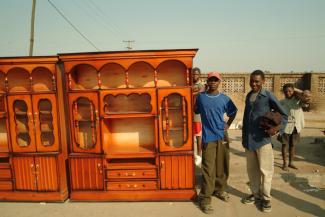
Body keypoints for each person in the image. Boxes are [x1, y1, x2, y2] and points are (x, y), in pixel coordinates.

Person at [241, 70, 287, 213]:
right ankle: (256, 195)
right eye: (252, 81)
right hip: (249, 140)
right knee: (252, 171)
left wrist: (277, 128)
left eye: (257, 81)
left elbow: (284, 115)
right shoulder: (249, 96)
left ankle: (266, 199)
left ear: (263, 81)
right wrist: (243, 137)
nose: (254, 84)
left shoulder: (267, 96)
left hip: (263, 140)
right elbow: (245, 117)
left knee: (266, 171)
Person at [195, 71, 237, 214]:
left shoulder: (224, 99)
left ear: (219, 82)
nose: (213, 82)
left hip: (222, 135)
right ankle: (205, 198)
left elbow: (233, 111)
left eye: (216, 80)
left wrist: (228, 124)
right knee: (208, 168)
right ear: (207, 82)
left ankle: (219, 189)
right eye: (211, 80)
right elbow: (195, 110)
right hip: (208, 137)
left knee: (222, 165)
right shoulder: (201, 98)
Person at [279, 84, 306, 171]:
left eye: (290, 91)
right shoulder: (281, 102)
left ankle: (291, 162)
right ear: (284, 92)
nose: (288, 93)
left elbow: (306, 96)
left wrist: (297, 91)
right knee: (284, 145)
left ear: (293, 91)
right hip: (285, 126)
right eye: (286, 91)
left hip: (296, 126)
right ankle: (285, 164)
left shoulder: (298, 101)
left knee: (292, 145)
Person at [192, 67, 205, 160]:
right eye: (193, 74)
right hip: (189, 114)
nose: (195, 76)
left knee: (198, 136)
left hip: (197, 115)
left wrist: (190, 93)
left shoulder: (201, 86)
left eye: (196, 74)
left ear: (199, 75)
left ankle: (199, 155)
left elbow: (200, 93)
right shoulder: (190, 84)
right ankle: (192, 154)